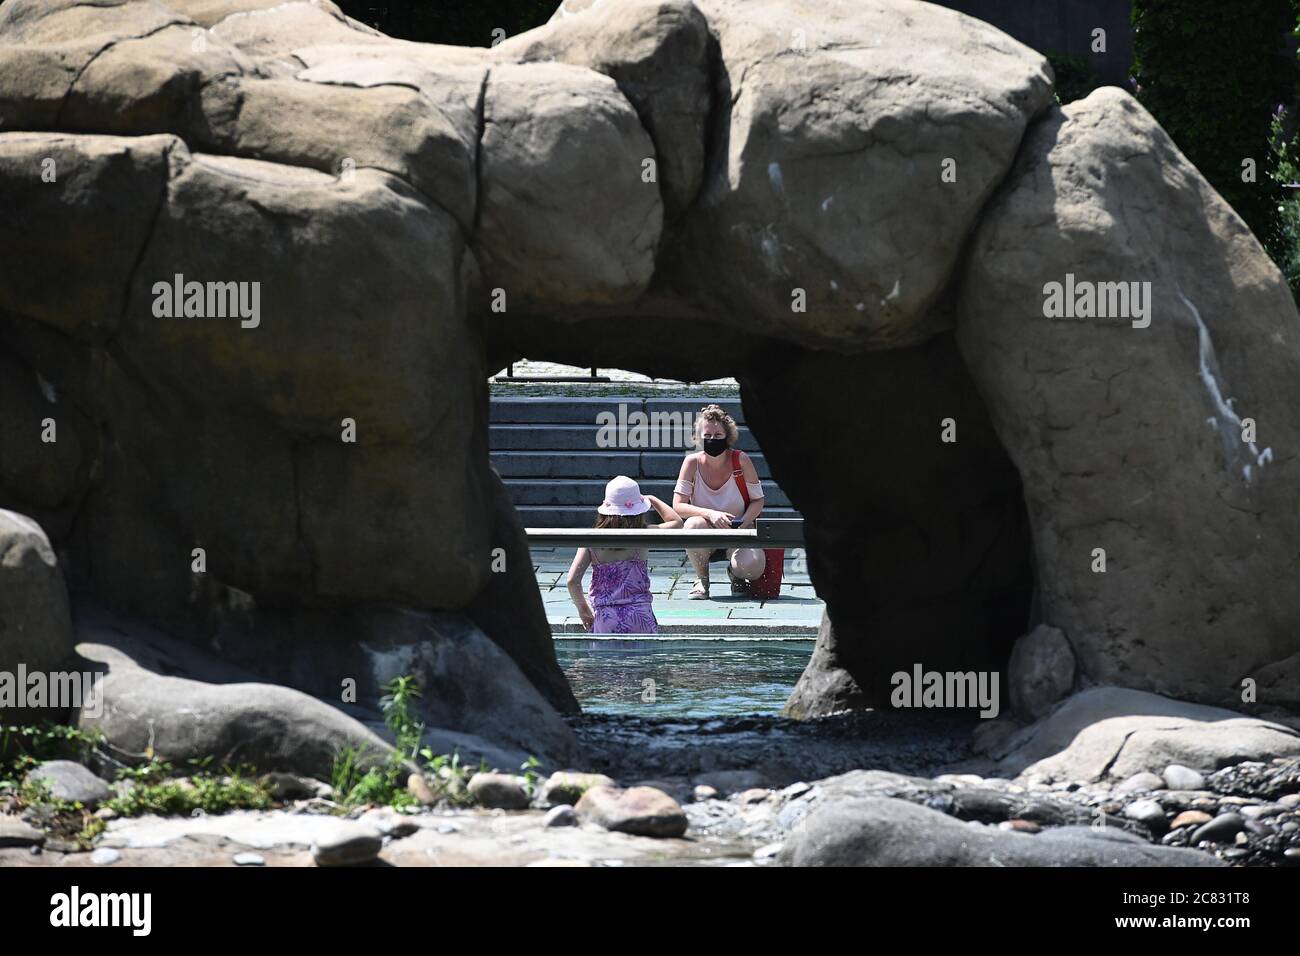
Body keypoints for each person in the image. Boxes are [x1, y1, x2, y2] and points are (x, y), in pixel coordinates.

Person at [566, 475, 683, 633]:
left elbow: (572, 580)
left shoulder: (590, 540)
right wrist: (652, 500)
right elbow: (677, 523)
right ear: (639, 510)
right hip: (641, 618)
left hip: (606, 619)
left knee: (605, 657)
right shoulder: (643, 535)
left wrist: (583, 610)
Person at [672, 404, 766, 599]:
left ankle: (736, 575)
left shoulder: (741, 460)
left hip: (738, 531)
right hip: (705, 531)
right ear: (699, 437)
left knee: (754, 567)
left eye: (717, 435)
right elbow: (678, 505)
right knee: (692, 525)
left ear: (728, 436)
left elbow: (758, 501)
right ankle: (702, 579)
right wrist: (710, 514)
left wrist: (743, 523)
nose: (712, 440)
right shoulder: (692, 462)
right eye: (707, 436)